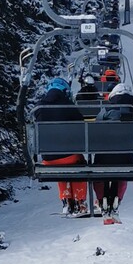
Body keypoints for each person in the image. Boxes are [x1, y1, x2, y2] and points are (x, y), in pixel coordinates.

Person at [35, 77, 87, 214]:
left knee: (60, 167)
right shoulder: (68, 105)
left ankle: (66, 200)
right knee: (78, 164)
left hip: (48, 158)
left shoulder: (39, 107)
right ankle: (79, 200)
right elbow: (81, 124)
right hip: (70, 156)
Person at [95, 78, 133, 219]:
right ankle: (116, 200)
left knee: (100, 174)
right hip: (125, 157)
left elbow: (96, 126)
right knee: (121, 174)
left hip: (103, 157)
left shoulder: (106, 110)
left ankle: (101, 199)